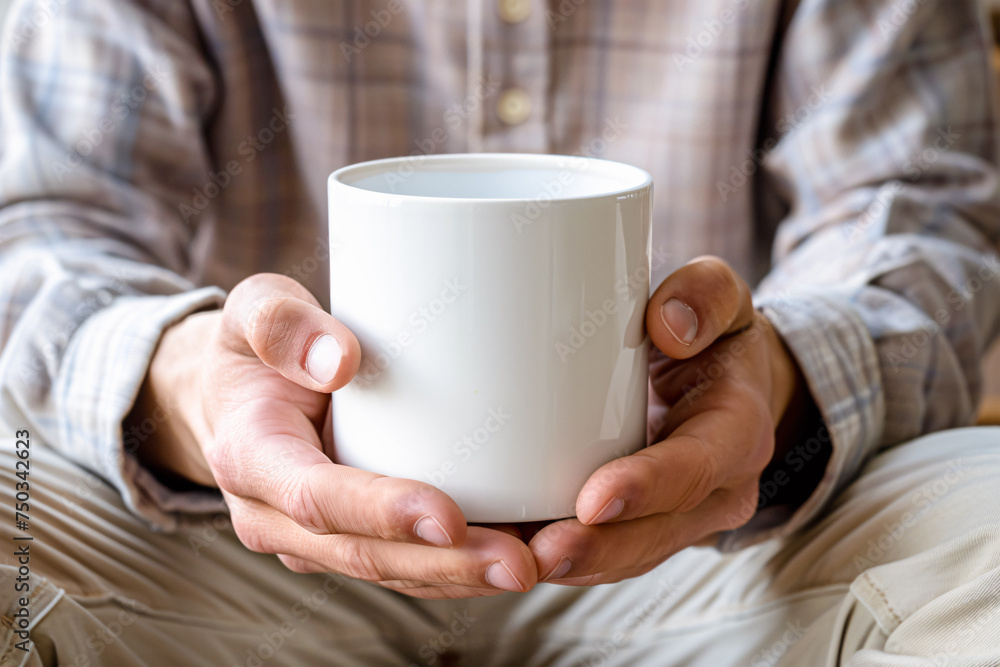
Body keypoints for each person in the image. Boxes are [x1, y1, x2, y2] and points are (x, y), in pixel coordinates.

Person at [1, 0, 999, 664]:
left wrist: (769, 391)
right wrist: (190, 391)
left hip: (715, 545)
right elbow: (44, 223)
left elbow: (916, 210)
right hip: (223, 542)